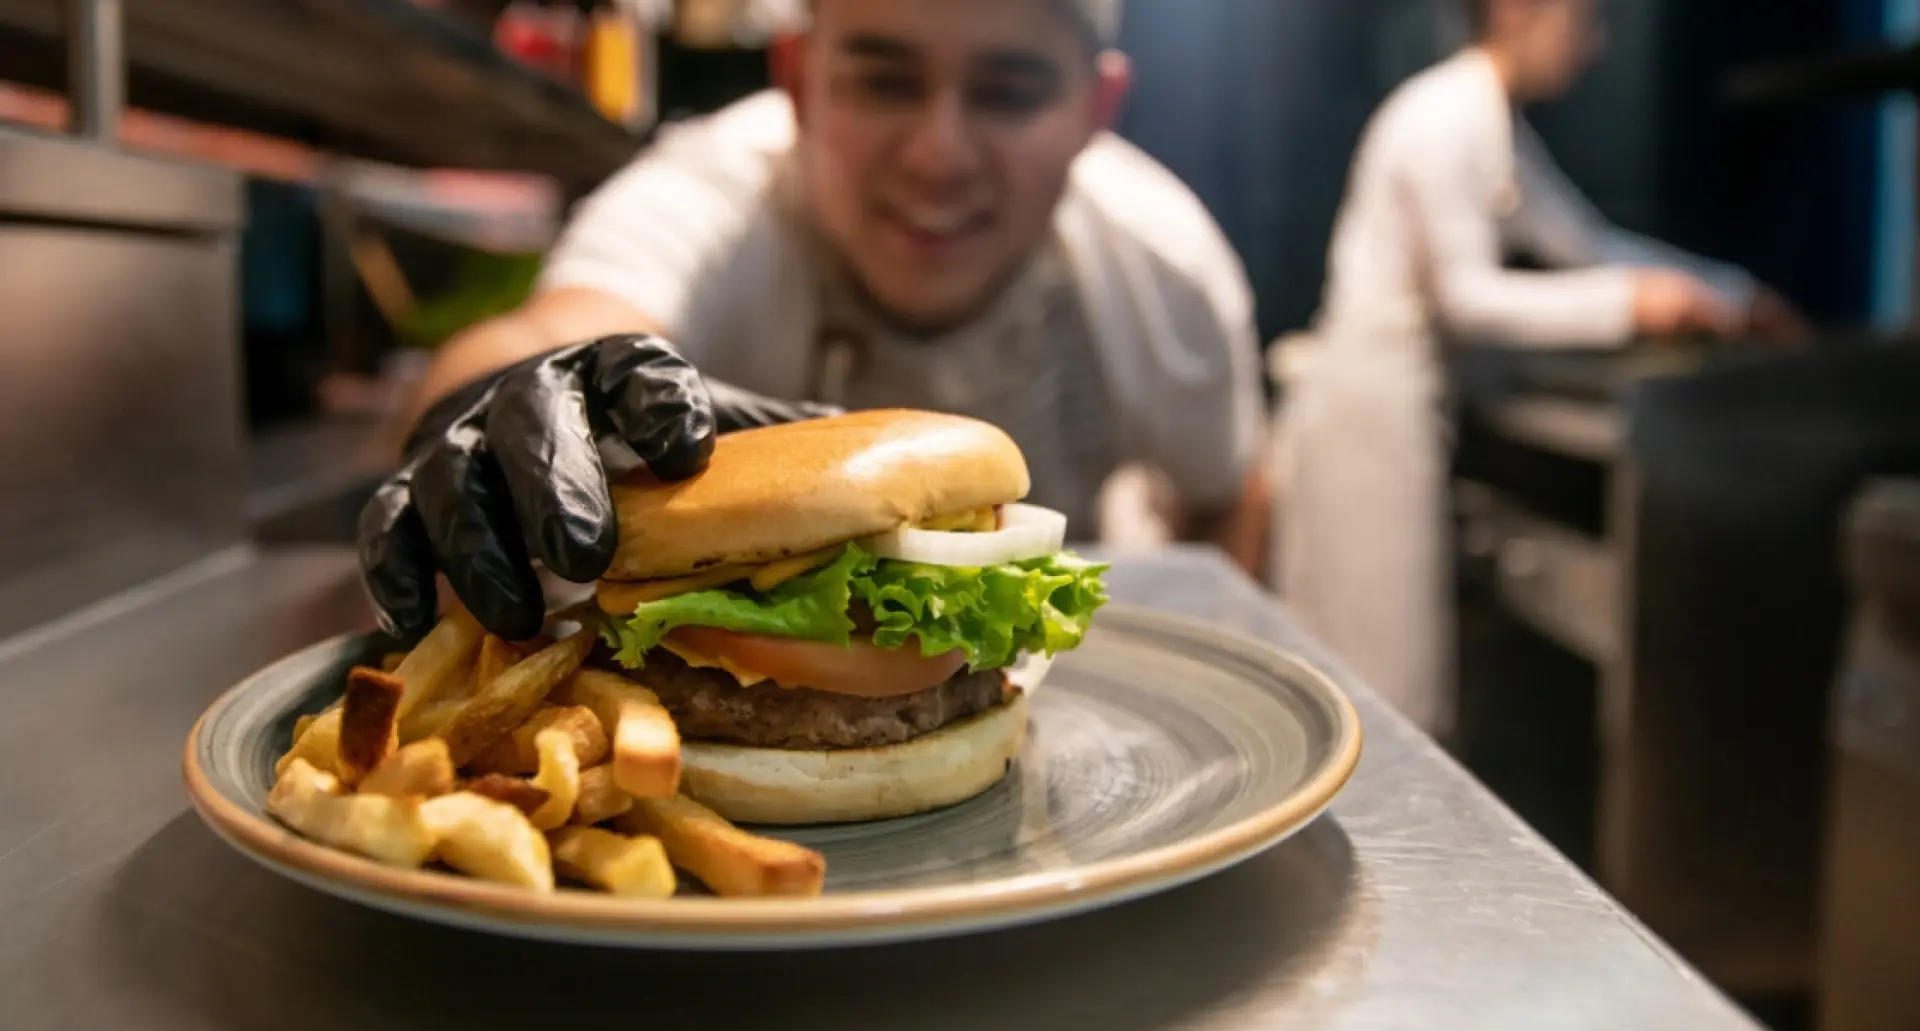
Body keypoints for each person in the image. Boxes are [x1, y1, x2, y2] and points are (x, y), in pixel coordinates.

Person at [360, 0, 1272, 642]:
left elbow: (1231, 492)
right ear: (797, 82)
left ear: (1095, 112)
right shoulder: (713, 194)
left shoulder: (1164, 267)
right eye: (883, 83)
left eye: (1008, 93)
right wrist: (485, 405)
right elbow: (545, 333)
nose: (937, 157)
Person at [1273, 0, 1808, 737]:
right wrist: (1630, 304)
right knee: (1382, 682)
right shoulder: (1442, 116)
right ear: (1518, 10)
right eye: (1582, 19)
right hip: (1367, 413)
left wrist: (1732, 293)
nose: (1594, 44)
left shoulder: (1495, 127)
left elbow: (1586, 241)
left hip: (1400, 407)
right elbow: (1465, 299)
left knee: (1380, 674)